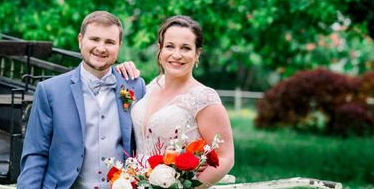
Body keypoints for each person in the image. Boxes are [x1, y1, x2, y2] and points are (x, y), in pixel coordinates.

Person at [17, 11, 147, 189]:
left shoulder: (135, 86)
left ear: (119, 45)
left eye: (109, 42)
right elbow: (35, 154)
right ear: (80, 40)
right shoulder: (50, 91)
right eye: (94, 39)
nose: (101, 48)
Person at [121, 15, 234, 187]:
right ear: (160, 50)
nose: (176, 54)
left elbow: (225, 158)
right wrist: (118, 73)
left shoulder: (203, 98)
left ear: (197, 54)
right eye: (170, 46)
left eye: (186, 48)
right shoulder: (150, 86)